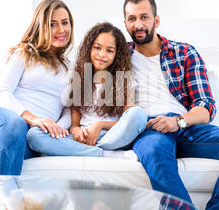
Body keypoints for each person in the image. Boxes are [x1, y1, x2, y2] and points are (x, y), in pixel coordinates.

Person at [123, 0, 219, 210]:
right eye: (132, 19)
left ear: (156, 20)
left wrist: (177, 122)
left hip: (185, 125)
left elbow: (205, 106)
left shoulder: (184, 52)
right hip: (148, 128)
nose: (138, 24)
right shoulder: (120, 57)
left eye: (144, 17)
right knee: (155, 150)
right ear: (126, 23)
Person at [0, 0, 74, 175]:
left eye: (65, 22)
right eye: (53, 24)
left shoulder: (70, 68)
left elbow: (69, 111)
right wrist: (33, 119)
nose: (61, 30)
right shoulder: (25, 53)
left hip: (24, 138)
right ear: (41, 27)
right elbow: (1, 92)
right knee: (15, 123)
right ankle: (11, 201)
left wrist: (52, 129)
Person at [27, 22, 147, 160]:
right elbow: (75, 118)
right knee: (34, 135)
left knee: (138, 114)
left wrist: (99, 125)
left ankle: (87, 150)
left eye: (109, 50)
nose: (102, 54)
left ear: (117, 54)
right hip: (81, 137)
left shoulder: (124, 79)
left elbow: (127, 119)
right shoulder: (79, 75)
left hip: (111, 136)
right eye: (97, 47)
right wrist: (75, 129)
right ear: (89, 48)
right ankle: (104, 154)